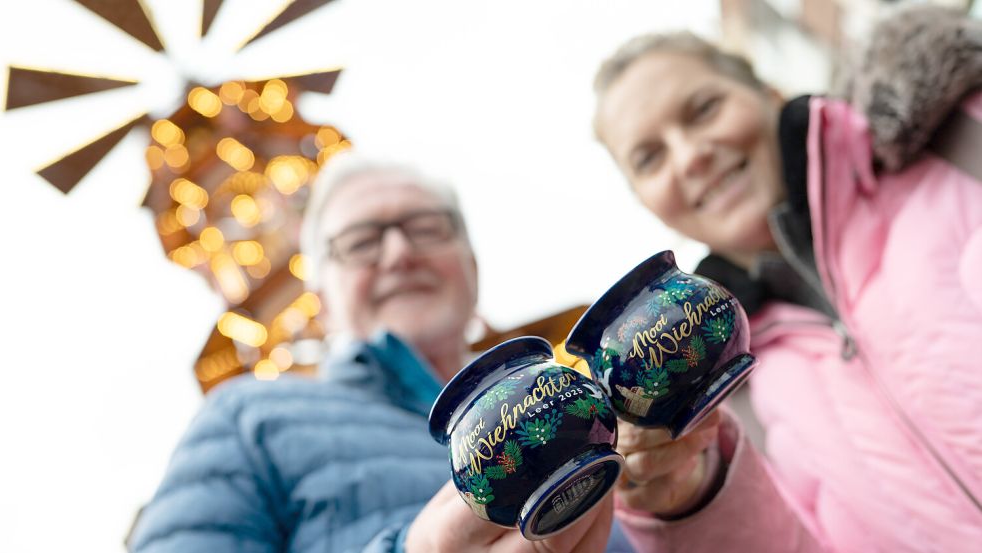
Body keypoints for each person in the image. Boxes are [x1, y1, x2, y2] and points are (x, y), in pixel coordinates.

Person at [590, 5, 982, 553]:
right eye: (651, 158)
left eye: (703, 110)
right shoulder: (719, 400)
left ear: (769, 92)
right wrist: (691, 498)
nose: (690, 157)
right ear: (647, 202)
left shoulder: (962, 143)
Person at [127, 152, 632, 552]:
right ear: (322, 300)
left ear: (472, 270)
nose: (399, 254)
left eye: (426, 228)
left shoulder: (577, 407)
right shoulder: (248, 418)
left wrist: (695, 495)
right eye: (362, 242)